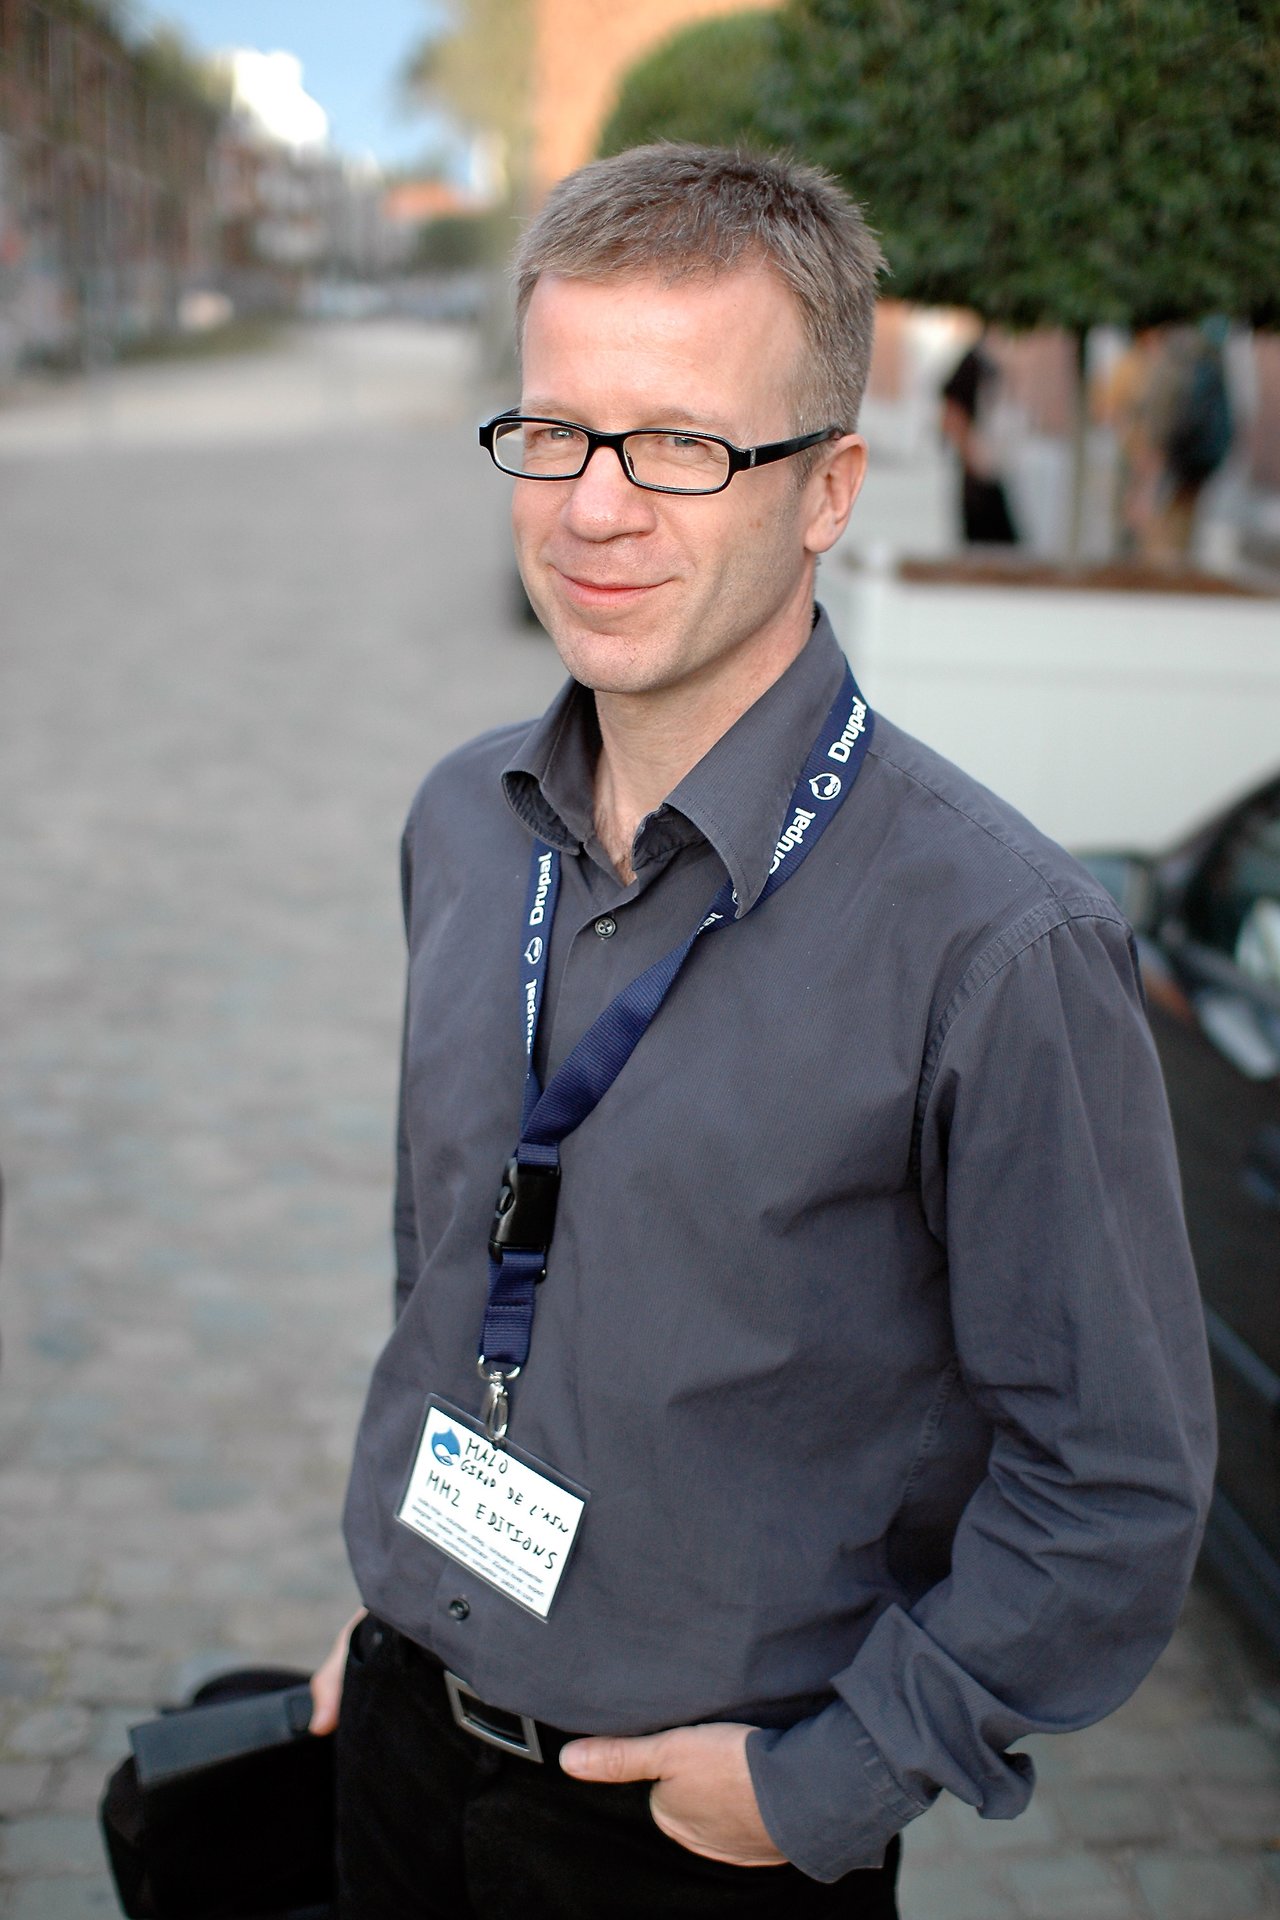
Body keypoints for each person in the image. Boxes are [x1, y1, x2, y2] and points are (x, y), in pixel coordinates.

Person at [310, 145, 1214, 1918]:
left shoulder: (1002, 945)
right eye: (556, 431)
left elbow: (1113, 1484)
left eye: (680, 447)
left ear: (828, 491)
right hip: (400, 1746)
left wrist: (827, 1783)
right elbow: (449, 1269)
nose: (594, 510)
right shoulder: (460, 825)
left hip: (698, 1842)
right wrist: (401, 1608)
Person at [939, 332, 1019, 544]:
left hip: (993, 472)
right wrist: (973, 455)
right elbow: (952, 414)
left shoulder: (991, 362)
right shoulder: (974, 361)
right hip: (979, 475)